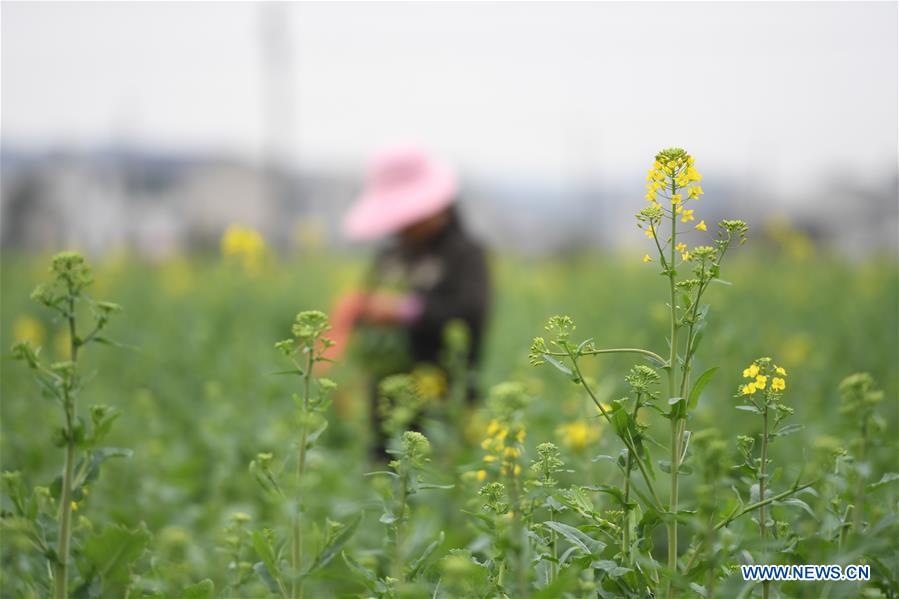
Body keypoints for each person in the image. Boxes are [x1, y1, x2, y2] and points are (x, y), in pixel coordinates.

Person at [328, 145, 490, 455]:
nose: (400, 225)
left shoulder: (465, 255)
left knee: (438, 489)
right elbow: (369, 308)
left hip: (445, 407)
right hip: (386, 408)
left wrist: (405, 310)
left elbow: (470, 314)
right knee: (386, 487)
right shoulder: (391, 256)